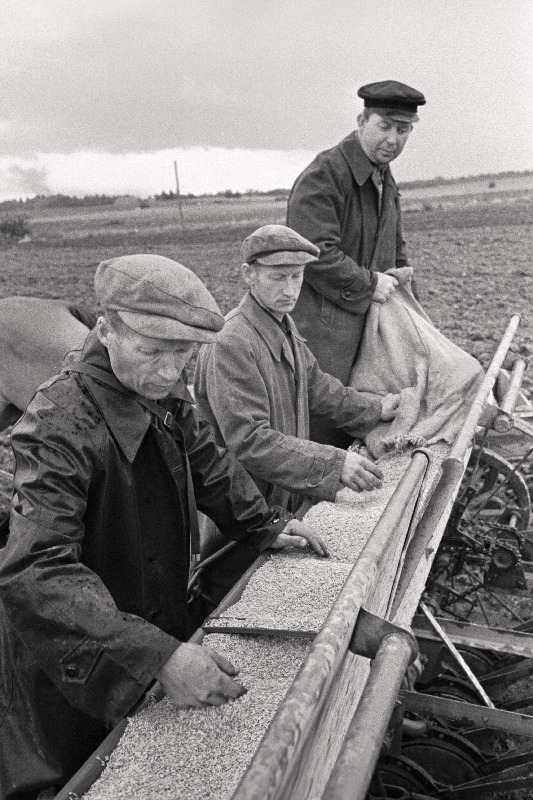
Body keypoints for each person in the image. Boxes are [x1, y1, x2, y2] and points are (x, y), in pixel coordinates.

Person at [0, 254, 327, 800]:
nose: (170, 372)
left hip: (144, 615)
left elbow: (208, 459)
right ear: (105, 330)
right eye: (153, 352)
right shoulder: (58, 423)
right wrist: (160, 657)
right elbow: (36, 568)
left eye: (183, 355)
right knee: (78, 774)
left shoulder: (162, 389)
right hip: (72, 657)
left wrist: (264, 523)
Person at [194, 224, 400, 522]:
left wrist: (374, 409)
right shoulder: (233, 342)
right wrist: (333, 465)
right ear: (248, 274)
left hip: (276, 497)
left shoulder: (281, 322)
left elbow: (316, 387)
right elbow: (250, 441)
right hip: (240, 511)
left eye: (297, 276)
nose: (290, 290)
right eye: (278, 277)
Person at [286, 80, 426, 446]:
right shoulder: (325, 175)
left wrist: (410, 304)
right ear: (361, 120)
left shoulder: (383, 177)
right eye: (384, 126)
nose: (393, 139)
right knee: (322, 427)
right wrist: (369, 284)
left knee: (364, 427)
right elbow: (313, 251)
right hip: (324, 336)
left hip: (370, 328)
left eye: (403, 130)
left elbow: (396, 251)